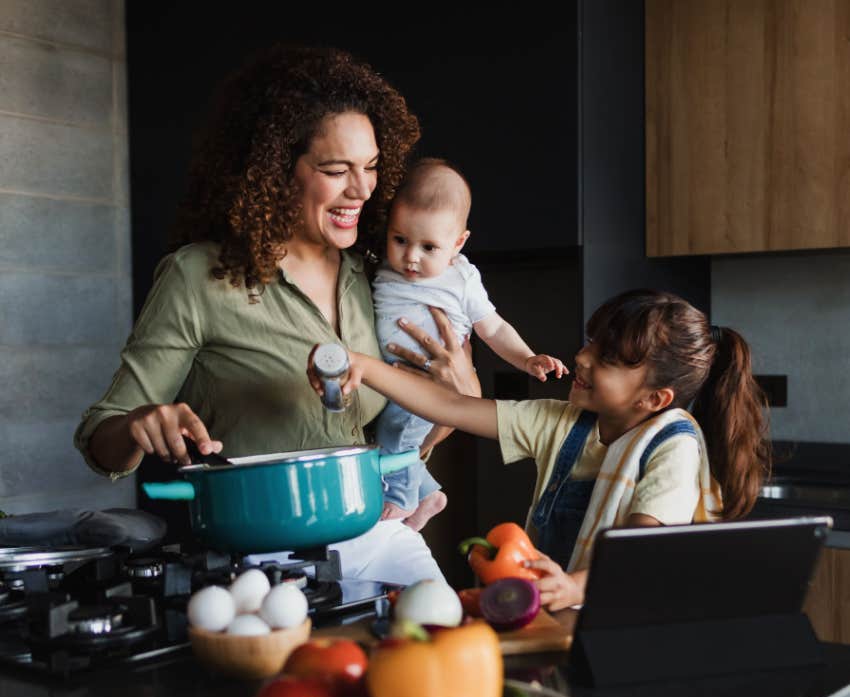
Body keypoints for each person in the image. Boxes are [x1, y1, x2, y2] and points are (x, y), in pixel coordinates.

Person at [73, 44, 479, 585]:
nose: (362, 190)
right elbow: (101, 441)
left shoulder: (382, 276)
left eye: (372, 167)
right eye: (336, 170)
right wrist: (140, 424)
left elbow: (437, 415)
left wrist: (461, 390)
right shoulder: (199, 278)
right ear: (275, 170)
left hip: (378, 537)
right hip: (262, 564)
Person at [309, 290, 771, 609]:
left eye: (606, 359)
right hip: (557, 614)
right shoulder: (562, 423)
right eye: (592, 344)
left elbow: (641, 554)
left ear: (653, 400)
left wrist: (573, 588)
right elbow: (450, 406)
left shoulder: (673, 447)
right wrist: (363, 366)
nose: (583, 358)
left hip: (624, 625)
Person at [371, 158, 567, 523]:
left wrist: (526, 358)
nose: (410, 257)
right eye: (400, 239)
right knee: (395, 441)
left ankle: (401, 501)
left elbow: (492, 328)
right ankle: (427, 494)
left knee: (394, 438)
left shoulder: (460, 279)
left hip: (424, 385)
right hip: (394, 378)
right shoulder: (383, 262)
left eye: (429, 247)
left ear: (458, 243)